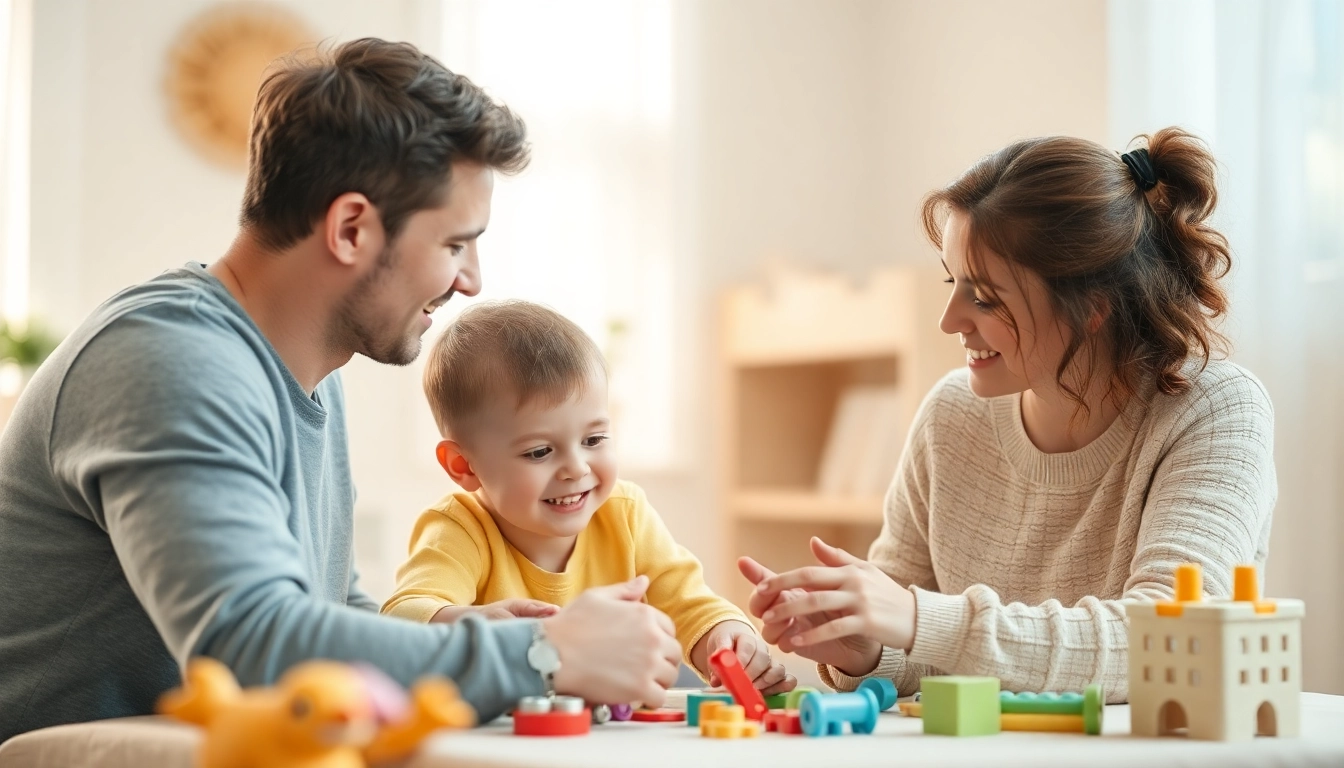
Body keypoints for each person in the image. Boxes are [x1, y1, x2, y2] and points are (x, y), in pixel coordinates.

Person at [0, 39, 682, 743]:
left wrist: (456, 631)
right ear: (351, 228)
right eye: (455, 244)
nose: (471, 280)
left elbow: (328, 612)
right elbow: (252, 640)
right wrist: (541, 654)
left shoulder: (306, 374)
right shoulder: (172, 362)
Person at [738, 127, 1276, 702]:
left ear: (1091, 308)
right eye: (952, 282)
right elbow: (932, 651)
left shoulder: (1215, 410)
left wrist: (919, 619)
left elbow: (1170, 642)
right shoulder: (951, 416)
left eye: (984, 297)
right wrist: (870, 648)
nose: (949, 320)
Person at [383, 301, 794, 694]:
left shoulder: (625, 513)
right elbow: (401, 620)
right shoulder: (459, 528)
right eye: (539, 452)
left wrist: (727, 639)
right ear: (464, 466)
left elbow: (689, 605)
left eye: (594, 439)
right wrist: (472, 625)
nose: (577, 469)